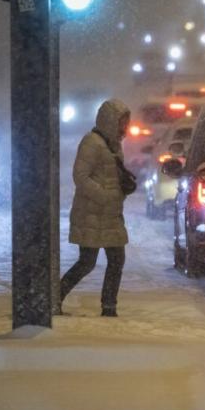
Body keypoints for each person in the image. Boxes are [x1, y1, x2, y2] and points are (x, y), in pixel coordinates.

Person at [60, 99, 131, 317]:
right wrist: (105, 195)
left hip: (110, 214)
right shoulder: (92, 143)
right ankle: (55, 296)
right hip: (92, 213)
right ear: (110, 121)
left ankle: (109, 306)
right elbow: (80, 176)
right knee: (87, 262)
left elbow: (110, 175)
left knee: (116, 259)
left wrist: (123, 186)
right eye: (122, 122)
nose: (124, 127)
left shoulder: (113, 145)